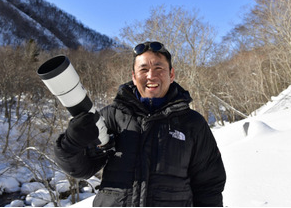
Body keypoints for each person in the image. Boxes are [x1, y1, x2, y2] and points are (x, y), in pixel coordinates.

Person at [54, 41, 226, 207]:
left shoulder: (192, 123)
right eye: (143, 69)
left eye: (159, 68)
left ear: (171, 74)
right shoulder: (111, 117)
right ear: (134, 77)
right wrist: (71, 144)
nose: (151, 75)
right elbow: (81, 170)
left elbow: (209, 186)